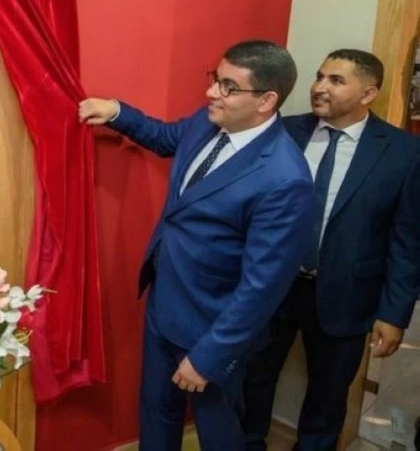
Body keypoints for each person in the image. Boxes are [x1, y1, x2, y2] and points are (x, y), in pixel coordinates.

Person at [79, 40, 315, 451]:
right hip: (165, 304)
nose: (211, 93)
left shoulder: (284, 178)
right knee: (157, 413)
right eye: (215, 79)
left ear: (266, 101)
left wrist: (208, 356)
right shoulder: (208, 123)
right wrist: (116, 111)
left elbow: (263, 287)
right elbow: (165, 136)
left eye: (228, 87)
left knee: (219, 434)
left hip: (213, 327)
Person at [243, 49, 420, 451]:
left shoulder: (404, 153)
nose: (319, 87)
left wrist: (393, 313)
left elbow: (407, 241)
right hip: (273, 288)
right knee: (254, 379)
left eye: (336, 81)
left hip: (347, 295)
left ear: (368, 93)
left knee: (327, 397)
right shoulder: (282, 131)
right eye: (320, 76)